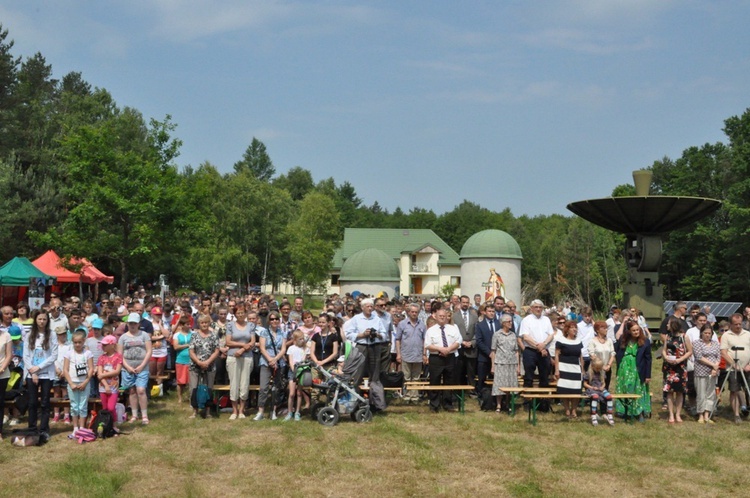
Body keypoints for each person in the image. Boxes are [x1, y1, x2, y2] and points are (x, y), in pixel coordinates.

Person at [343, 298, 387, 412]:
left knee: (375, 377)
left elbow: (384, 334)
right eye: (367, 306)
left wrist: (377, 334)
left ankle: (376, 404)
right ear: (362, 307)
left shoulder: (377, 319)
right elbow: (348, 334)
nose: (370, 308)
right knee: (358, 375)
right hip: (361, 346)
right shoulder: (356, 319)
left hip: (375, 347)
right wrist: (362, 335)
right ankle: (355, 403)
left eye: (371, 306)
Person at [23, 309, 58, 439]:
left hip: (47, 374)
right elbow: (26, 355)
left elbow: (54, 355)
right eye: (39, 319)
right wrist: (33, 371)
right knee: (32, 402)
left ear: (47, 320)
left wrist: (39, 367)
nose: (42, 321)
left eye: (44, 319)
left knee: (45, 402)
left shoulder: (52, 335)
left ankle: (44, 429)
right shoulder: (29, 335)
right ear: (35, 320)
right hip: (32, 373)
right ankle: (32, 428)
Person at [423, 308, 461, 413]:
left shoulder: (452, 329)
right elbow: (428, 345)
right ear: (436, 317)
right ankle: (434, 405)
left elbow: (458, 342)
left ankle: (447, 404)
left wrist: (448, 349)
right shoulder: (431, 330)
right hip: (436, 358)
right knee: (435, 380)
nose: (442, 318)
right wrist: (440, 349)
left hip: (450, 357)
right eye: (440, 316)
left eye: (444, 316)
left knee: (449, 381)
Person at [118, 312, 153, 425]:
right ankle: (134, 414)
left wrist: (142, 365)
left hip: (142, 367)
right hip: (127, 368)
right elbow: (120, 354)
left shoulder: (144, 335)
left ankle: (144, 415)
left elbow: (149, 351)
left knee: (141, 390)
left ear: (138, 324)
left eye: (134, 323)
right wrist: (127, 367)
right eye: (130, 323)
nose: (132, 325)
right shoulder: (123, 337)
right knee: (132, 391)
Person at [614, 320, 652, 421]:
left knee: (638, 389)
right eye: (633, 330)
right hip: (625, 368)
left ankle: (639, 412)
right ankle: (624, 410)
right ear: (629, 331)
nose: (636, 332)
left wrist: (648, 375)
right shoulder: (623, 339)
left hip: (638, 368)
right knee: (625, 387)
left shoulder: (645, 341)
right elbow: (617, 353)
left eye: (637, 330)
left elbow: (648, 359)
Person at [254, 311, 287, 421]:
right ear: (269, 320)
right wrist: (270, 360)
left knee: (276, 388)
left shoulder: (282, 333)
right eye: (272, 319)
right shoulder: (264, 332)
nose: (274, 321)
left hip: (278, 363)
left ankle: (274, 410)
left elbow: (283, 349)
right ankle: (261, 411)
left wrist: (276, 359)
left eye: (276, 319)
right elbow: (262, 348)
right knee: (264, 387)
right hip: (265, 362)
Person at [225, 305, 256, 420]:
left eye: (242, 312)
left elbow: (252, 342)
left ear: (245, 313)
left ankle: (242, 410)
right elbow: (228, 342)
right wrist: (242, 345)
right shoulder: (230, 325)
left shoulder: (251, 325)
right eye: (238, 313)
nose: (240, 315)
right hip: (233, 357)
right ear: (235, 314)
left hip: (247, 357)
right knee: (234, 383)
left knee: (244, 383)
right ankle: (234, 410)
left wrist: (243, 349)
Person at [62, 329, 94, 437]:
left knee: (83, 406)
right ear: (72, 342)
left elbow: (91, 368)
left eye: (79, 342)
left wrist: (85, 382)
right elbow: (65, 370)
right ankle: (75, 428)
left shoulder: (88, 353)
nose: (77, 344)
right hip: (72, 383)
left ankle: (82, 428)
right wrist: (71, 383)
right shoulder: (69, 354)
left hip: (84, 383)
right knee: (74, 406)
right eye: (75, 342)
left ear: (84, 341)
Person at [518, 300, 554, 394]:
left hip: (544, 351)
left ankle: (543, 402)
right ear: (531, 308)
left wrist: (544, 345)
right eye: (536, 307)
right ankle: (528, 401)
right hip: (530, 351)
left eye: (540, 307)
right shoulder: (526, 320)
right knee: (529, 377)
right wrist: (539, 347)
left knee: (544, 376)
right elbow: (525, 337)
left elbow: (551, 335)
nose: (538, 309)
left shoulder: (546, 320)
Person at [719, 313, 750, 424]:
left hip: (747, 368)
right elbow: (723, 352)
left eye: (740, 324)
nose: (738, 326)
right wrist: (734, 364)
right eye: (735, 324)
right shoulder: (726, 335)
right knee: (735, 390)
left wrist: (748, 364)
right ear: (731, 324)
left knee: (747, 390)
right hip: (732, 369)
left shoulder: (747, 334)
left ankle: (746, 409)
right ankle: (736, 414)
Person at [188, 314, 220, 419]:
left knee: (209, 388)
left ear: (209, 323)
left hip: (210, 366)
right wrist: (199, 362)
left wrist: (208, 362)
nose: (204, 324)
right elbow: (191, 351)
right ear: (199, 324)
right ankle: (195, 411)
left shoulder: (214, 335)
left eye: (206, 322)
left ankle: (208, 411)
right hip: (195, 366)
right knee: (194, 388)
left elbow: (216, 350)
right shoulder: (194, 335)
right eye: (202, 323)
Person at [662, 316, 692, 424]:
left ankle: (678, 414)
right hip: (669, 367)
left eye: (668, 324)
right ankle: (671, 414)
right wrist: (665, 357)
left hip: (680, 367)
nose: (666, 325)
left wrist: (680, 360)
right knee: (669, 391)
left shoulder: (684, 337)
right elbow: (664, 350)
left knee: (679, 391)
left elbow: (689, 351)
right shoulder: (667, 337)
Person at [395, 303, 426, 402]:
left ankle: (415, 396)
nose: (414, 314)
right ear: (408, 312)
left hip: (418, 355)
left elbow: (425, 340)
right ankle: (407, 396)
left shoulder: (422, 324)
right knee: (406, 377)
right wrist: (398, 354)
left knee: (416, 377)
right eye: (412, 312)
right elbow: (398, 339)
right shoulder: (402, 324)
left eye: (416, 312)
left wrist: (424, 354)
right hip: (406, 354)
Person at [490, 314, 519, 413]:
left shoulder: (513, 335)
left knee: (510, 385)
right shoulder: (497, 334)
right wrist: (493, 366)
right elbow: (493, 350)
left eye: (511, 321)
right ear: (503, 323)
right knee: (499, 384)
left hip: (512, 363)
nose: (511, 323)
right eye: (508, 322)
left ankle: (508, 404)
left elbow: (516, 351)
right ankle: (498, 405)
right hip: (500, 363)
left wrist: (518, 366)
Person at [555, 320, 583, 419]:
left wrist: (582, 370)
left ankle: (574, 410)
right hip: (564, 367)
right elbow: (557, 355)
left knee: (575, 390)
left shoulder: (579, 340)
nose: (574, 329)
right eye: (572, 327)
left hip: (576, 368)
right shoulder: (560, 340)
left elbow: (580, 356)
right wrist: (557, 369)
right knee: (565, 390)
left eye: (575, 327)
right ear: (567, 330)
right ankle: (567, 410)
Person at [693, 323, 720, 424]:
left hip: (713, 372)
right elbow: (699, 357)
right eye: (705, 333)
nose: (707, 335)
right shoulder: (697, 343)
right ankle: (700, 414)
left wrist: (715, 367)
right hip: (701, 371)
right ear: (701, 333)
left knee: (710, 394)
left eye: (709, 333)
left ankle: (707, 415)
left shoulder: (716, 344)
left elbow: (718, 356)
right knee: (701, 393)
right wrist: (713, 365)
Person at [453, 295, 478, 388]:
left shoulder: (474, 316)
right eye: (463, 302)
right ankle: (459, 392)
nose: (465, 304)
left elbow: (477, 332)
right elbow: (453, 332)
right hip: (459, 348)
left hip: (471, 349)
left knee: (471, 372)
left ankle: (472, 391)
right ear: (460, 303)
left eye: (467, 302)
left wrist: (472, 342)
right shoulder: (454, 316)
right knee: (459, 372)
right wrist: (461, 342)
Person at [97, 335, 122, 421]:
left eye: (105, 345)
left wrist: (103, 375)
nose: (102, 347)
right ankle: (106, 425)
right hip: (103, 386)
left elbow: (117, 371)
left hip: (113, 386)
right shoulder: (101, 358)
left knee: (111, 408)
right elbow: (99, 373)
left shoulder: (118, 356)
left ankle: (114, 425)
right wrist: (106, 386)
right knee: (105, 408)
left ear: (112, 345)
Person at [584, 357, 614, 426]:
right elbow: (585, 384)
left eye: (599, 368)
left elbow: (604, 383)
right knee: (595, 396)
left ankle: (609, 414)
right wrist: (592, 387)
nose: (598, 370)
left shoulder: (602, 373)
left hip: (600, 389)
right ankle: (593, 415)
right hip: (592, 389)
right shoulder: (589, 373)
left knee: (609, 396)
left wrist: (602, 387)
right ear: (592, 366)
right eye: (597, 368)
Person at [285, 330, 308, 421]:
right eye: (300, 339)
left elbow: (303, 360)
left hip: (302, 371)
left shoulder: (305, 349)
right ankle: (290, 412)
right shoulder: (291, 348)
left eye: (303, 339)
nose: (302, 341)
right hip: (293, 371)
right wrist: (294, 369)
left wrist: (299, 370)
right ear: (295, 339)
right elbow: (290, 361)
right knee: (291, 393)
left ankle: (297, 412)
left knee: (299, 393)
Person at [588, 321, 615, 390]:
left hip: (607, 369)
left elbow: (612, 353)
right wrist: (601, 366)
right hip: (596, 370)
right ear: (597, 330)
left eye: (606, 328)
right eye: (604, 328)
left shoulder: (609, 341)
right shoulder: (592, 341)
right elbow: (592, 355)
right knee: (596, 389)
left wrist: (608, 365)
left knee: (605, 389)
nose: (606, 330)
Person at [172, 315, 192, 403]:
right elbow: (175, 347)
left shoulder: (193, 333)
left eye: (189, 324)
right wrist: (187, 345)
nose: (189, 326)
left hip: (191, 360)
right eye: (187, 324)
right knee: (180, 381)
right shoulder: (177, 335)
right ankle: (180, 398)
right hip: (180, 360)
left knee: (190, 381)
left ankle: (190, 397)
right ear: (182, 325)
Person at [0, 322, 12, 440]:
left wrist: (2, 368)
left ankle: (0, 432)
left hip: (2, 374)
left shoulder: (6, 335)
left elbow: (9, 355)